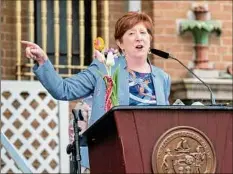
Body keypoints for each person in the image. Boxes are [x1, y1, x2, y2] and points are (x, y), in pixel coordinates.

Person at [21, 11, 171, 172]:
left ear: (149, 39)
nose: (139, 37)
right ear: (120, 43)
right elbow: (64, 90)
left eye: (143, 32)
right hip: (111, 153)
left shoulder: (162, 78)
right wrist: (43, 61)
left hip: (151, 158)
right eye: (131, 33)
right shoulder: (104, 68)